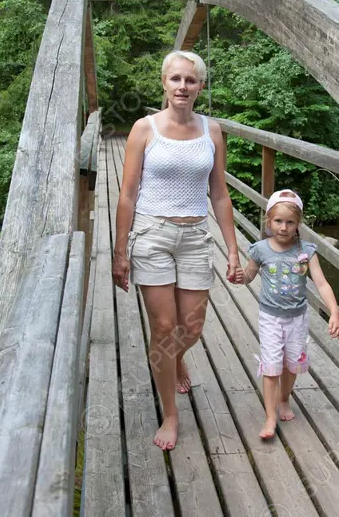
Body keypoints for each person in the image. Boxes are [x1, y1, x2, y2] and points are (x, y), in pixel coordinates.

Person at [112, 50, 241, 451]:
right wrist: (120, 253)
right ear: (164, 83)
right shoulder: (144, 128)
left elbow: (219, 194)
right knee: (165, 328)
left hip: (196, 236)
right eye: (176, 79)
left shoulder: (212, 131)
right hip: (151, 233)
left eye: (191, 80)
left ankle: (173, 359)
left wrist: (233, 249)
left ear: (200, 86)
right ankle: (170, 413)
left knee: (194, 327)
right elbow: (128, 194)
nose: (182, 86)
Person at [237, 188, 339, 440]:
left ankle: (285, 398)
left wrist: (335, 312)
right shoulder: (261, 249)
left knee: (292, 364)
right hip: (270, 318)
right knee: (272, 366)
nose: (283, 227)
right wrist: (241, 276)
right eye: (278, 221)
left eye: (290, 222)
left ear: (298, 223)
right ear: (268, 221)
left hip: (297, 317)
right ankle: (270, 416)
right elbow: (249, 275)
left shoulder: (305, 251)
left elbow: (322, 283)